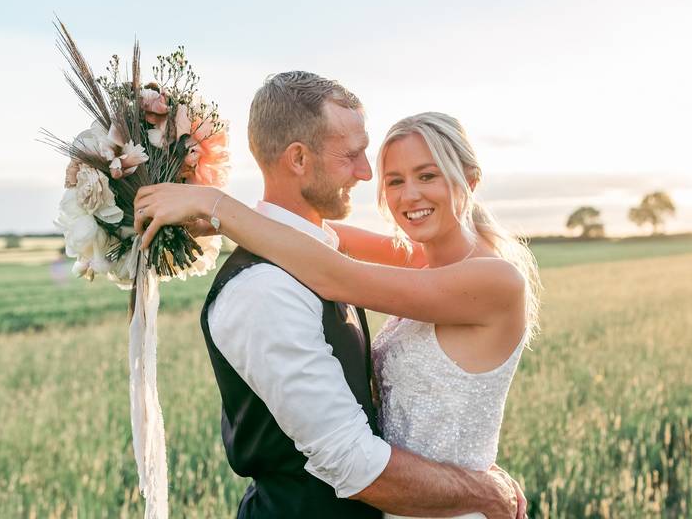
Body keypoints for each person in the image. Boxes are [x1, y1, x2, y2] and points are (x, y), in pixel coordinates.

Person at [136, 72, 526, 519]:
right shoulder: (421, 260)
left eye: (427, 175)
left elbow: (336, 270)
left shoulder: (492, 280)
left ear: (469, 180)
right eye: (392, 179)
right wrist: (235, 222)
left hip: (445, 504)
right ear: (298, 158)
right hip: (424, 499)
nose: (368, 175)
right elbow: (325, 239)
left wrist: (217, 207)